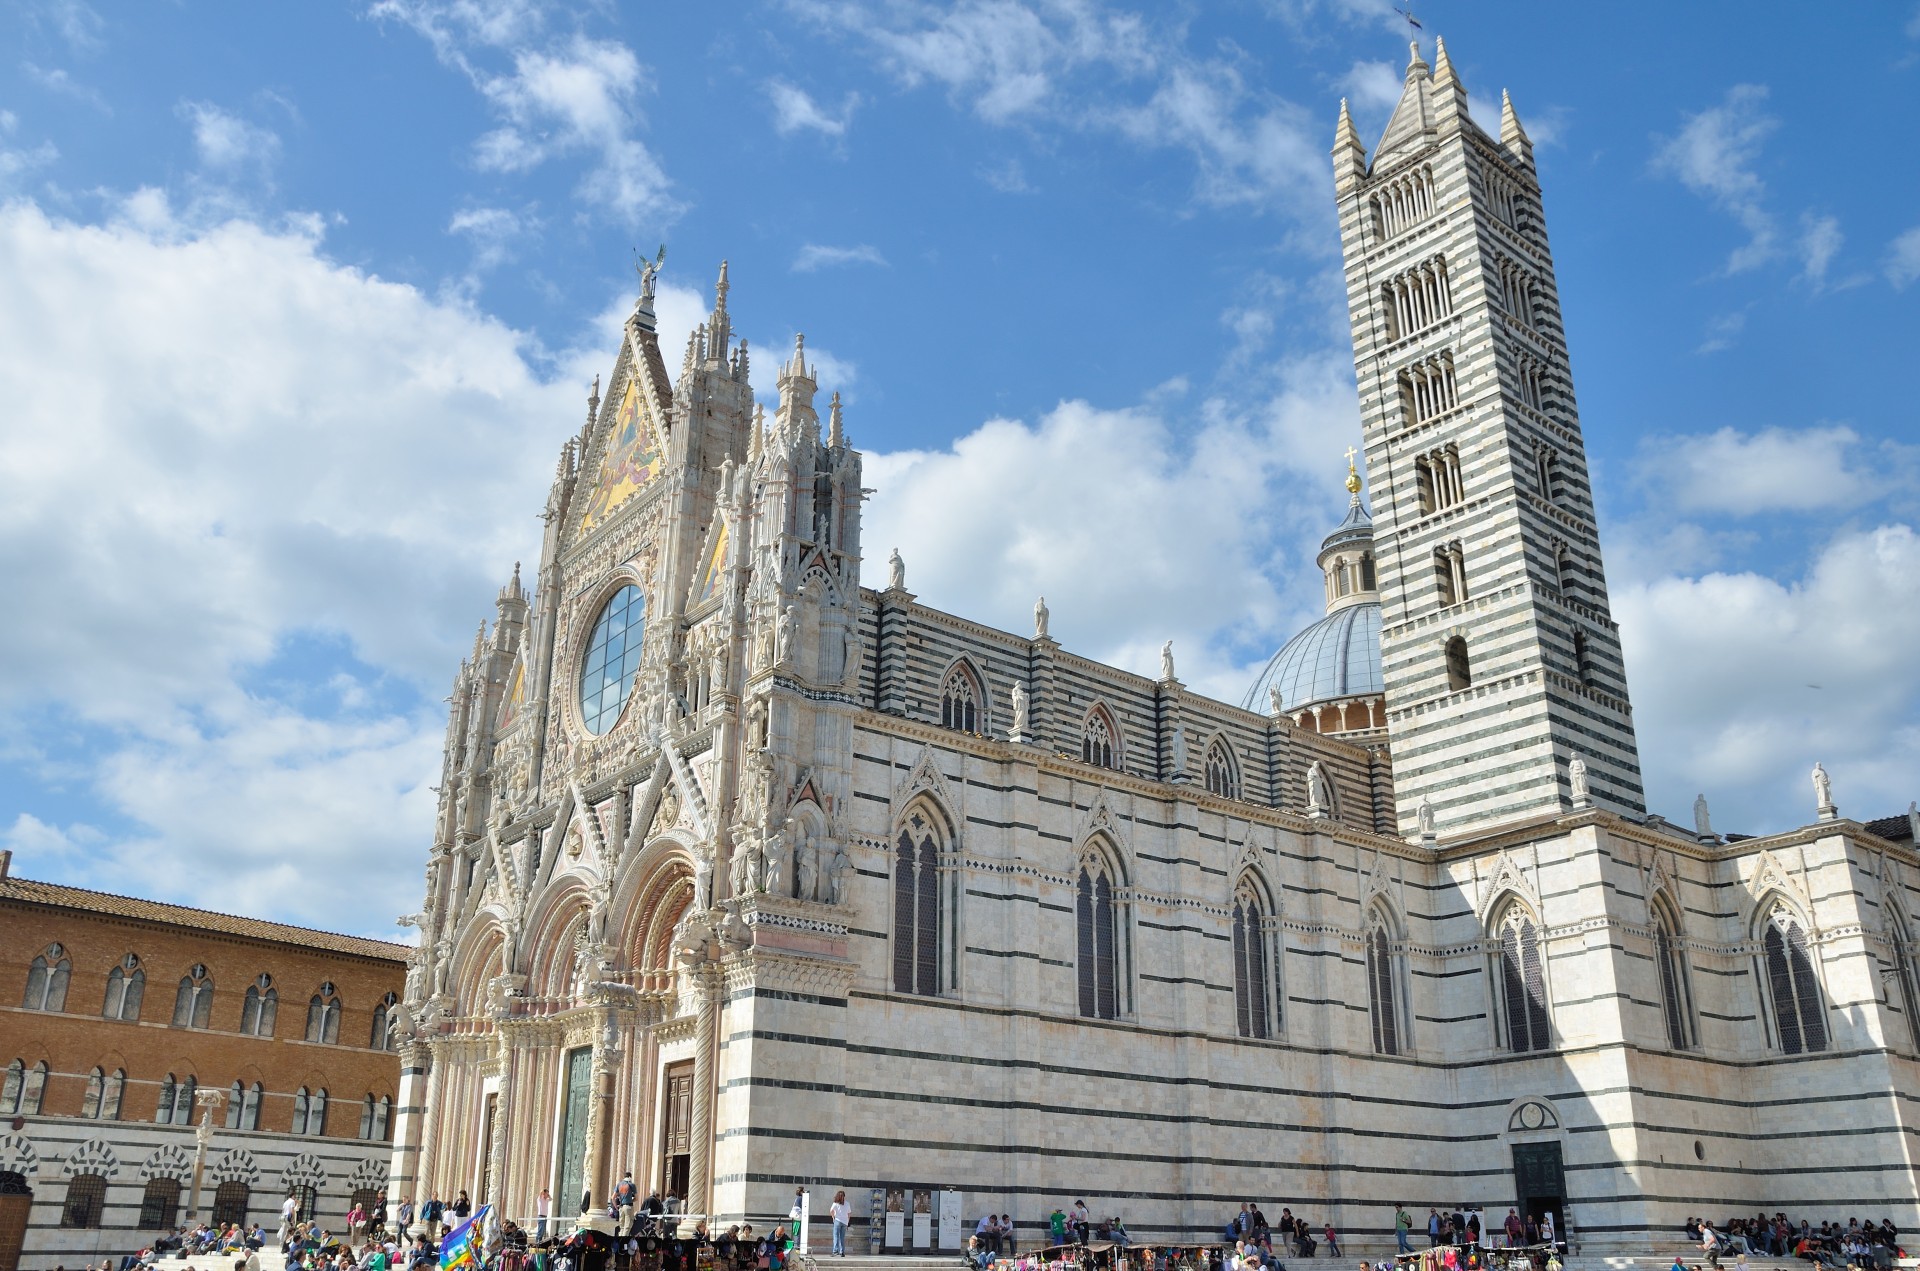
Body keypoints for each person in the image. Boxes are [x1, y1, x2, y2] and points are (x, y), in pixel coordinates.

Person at [830, 1192, 850, 1257]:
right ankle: (842, 1252)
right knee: (842, 1237)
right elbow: (849, 1213)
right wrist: (847, 1222)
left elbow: (831, 1211)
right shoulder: (847, 1203)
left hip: (837, 1221)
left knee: (836, 1236)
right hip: (844, 1222)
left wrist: (833, 1217)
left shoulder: (835, 1203)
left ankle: (835, 1251)